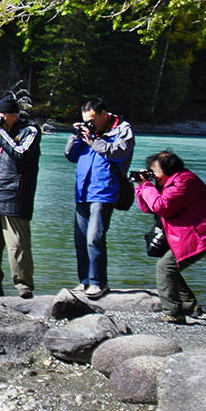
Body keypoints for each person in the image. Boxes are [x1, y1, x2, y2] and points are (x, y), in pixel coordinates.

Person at [133, 150, 206, 324]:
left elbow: (161, 206)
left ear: (169, 170)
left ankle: (173, 313)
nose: (153, 175)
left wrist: (147, 186)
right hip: (187, 234)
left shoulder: (185, 182)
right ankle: (188, 305)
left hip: (199, 235)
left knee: (165, 268)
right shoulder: (172, 182)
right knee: (169, 268)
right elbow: (149, 207)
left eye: (155, 172)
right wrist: (141, 186)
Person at [64, 98, 135, 299]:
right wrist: (76, 136)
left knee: (95, 237)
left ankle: (98, 282)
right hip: (83, 190)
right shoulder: (87, 132)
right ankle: (85, 281)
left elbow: (119, 152)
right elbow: (70, 155)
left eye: (93, 120)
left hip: (105, 190)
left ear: (104, 114)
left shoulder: (122, 129)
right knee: (80, 239)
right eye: (86, 120)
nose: (90, 123)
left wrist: (94, 141)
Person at [0, 95, 41, 298]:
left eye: (2, 117)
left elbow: (20, 153)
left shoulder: (30, 131)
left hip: (16, 195)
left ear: (13, 116)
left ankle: (24, 286)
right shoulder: (0, 132)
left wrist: (0, 133)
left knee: (17, 246)